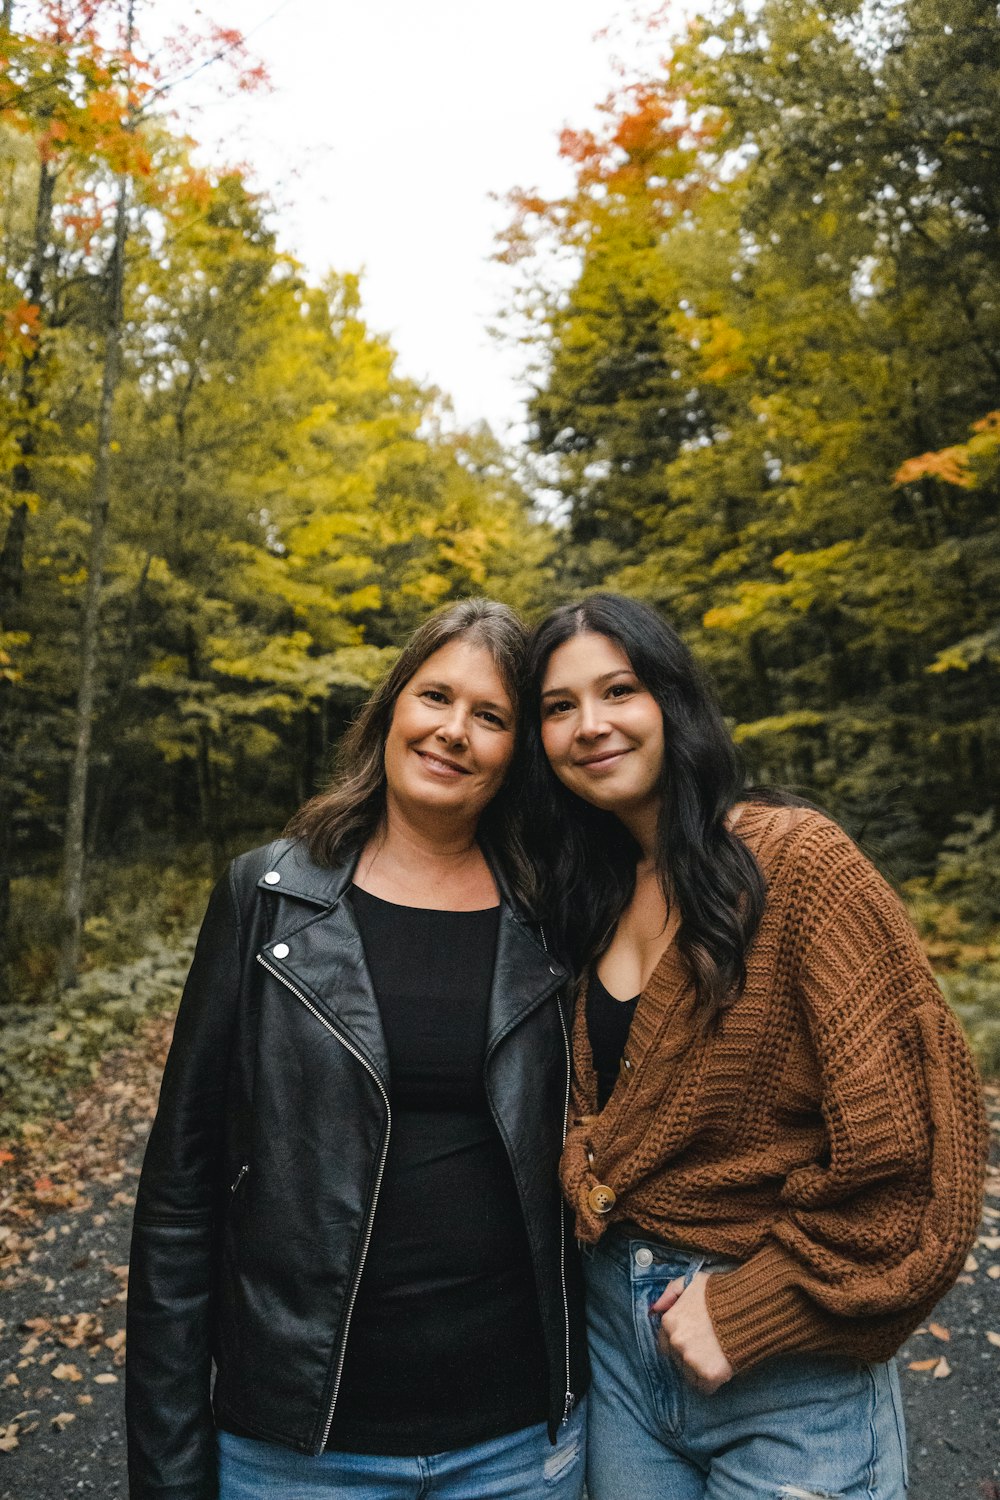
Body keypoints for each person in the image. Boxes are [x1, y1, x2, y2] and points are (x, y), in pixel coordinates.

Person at [523, 592, 986, 1500]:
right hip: (618, 1352)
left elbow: (923, 1155)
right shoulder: (585, 896)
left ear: (672, 700)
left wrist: (753, 1310)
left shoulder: (796, 863)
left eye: (618, 690)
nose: (590, 725)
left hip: (785, 1370)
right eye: (558, 706)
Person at [126, 598, 588, 1500]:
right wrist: (170, 1462)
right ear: (391, 709)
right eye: (435, 697)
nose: (454, 731)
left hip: (517, 1443)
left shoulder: (556, 914)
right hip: (299, 1446)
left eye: (490, 716)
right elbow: (179, 1197)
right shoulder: (266, 896)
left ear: (515, 750)